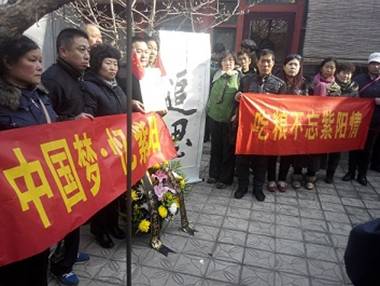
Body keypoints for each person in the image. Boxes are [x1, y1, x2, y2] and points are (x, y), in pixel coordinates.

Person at [0, 36, 56, 286]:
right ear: (8, 63)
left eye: (41, 60)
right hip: (10, 201)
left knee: (39, 257)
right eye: (32, 60)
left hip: (39, 193)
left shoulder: (40, 96)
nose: (39, 67)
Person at [42, 28, 92, 286]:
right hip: (59, 158)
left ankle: (70, 253)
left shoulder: (75, 76)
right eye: (81, 50)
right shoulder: (52, 78)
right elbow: (44, 123)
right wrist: (71, 121)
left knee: (78, 209)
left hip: (76, 152)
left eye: (88, 50)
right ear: (63, 50)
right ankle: (61, 265)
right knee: (67, 211)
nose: (87, 56)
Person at [83, 44, 141, 248]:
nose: (113, 68)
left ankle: (113, 224)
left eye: (115, 64)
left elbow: (121, 106)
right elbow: (89, 118)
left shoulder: (115, 85)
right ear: (98, 64)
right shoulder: (90, 87)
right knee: (102, 193)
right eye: (108, 63)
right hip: (101, 149)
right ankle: (99, 229)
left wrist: (131, 103)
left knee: (117, 190)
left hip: (118, 147)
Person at [234, 49, 286, 201]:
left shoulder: (279, 84)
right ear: (257, 63)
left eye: (269, 61)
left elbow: (283, 109)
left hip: (266, 129)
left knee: (261, 161)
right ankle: (242, 186)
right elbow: (237, 98)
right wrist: (237, 97)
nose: (265, 64)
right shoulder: (246, 80)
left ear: (273, 63)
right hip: (247, 128)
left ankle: (258, 188)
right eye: (262, 61)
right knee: (242, 159)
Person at [267, 54, 311, 192]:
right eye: (290, 64)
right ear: (284, 66)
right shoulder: (275, 81)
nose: (293, 67)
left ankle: (282, 179)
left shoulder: (304, 83)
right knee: (272, 153)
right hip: (275, 121)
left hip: (293, 124)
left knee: (287, 152)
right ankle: (270, 179)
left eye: (296, 65)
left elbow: (307, 104)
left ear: (299, 68)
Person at [342, 52, 380, 185]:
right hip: (357, 119)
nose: (376, 67)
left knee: (368, 148)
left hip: (375, 120)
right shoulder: (359, 79)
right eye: (374, 64)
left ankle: (362, 175)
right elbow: (351, 97)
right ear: (368, 65)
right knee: (354, 146)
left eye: (379, 64)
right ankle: (350, 172)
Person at [206, 50, 239, 189]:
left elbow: (242, 98)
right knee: (215, 147)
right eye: (225, 60)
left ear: (235, 63)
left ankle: (225, 179)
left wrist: (236, 114)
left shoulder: (239, 77)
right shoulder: (216, 75)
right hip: (214, 116)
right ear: (220, 63)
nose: (228, 63)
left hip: (229, 119)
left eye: (231, 60)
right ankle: (213, 174)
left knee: (227, 149)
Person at [324, 62, 358, 183]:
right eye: (344, 73)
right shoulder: (330, 84)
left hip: (343, 122)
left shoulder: (354, 87)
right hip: (328, 120)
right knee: (322, 146)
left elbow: (357, 105)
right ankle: (318, 170)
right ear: (337, 73)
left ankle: (330, 174)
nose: (346, 76)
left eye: (349, 74)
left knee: (337, 149)